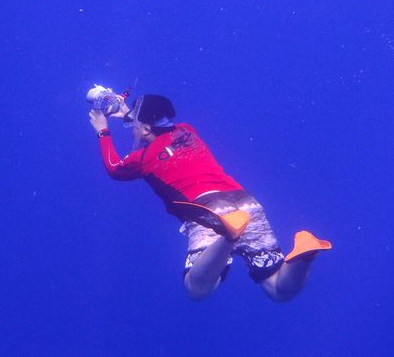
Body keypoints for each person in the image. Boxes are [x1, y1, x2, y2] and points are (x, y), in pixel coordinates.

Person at [89, 93, 331, 301]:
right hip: (245, 203)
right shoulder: (188, 131)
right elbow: (156, 127)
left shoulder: (143, 158)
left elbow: (114, 167)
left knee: (197, 289)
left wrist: (102, 130)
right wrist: (127, 113)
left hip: (207, 210)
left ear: (144, 129)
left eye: (135, 124)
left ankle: (228, 236)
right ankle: (306, 255)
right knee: (278, 290)